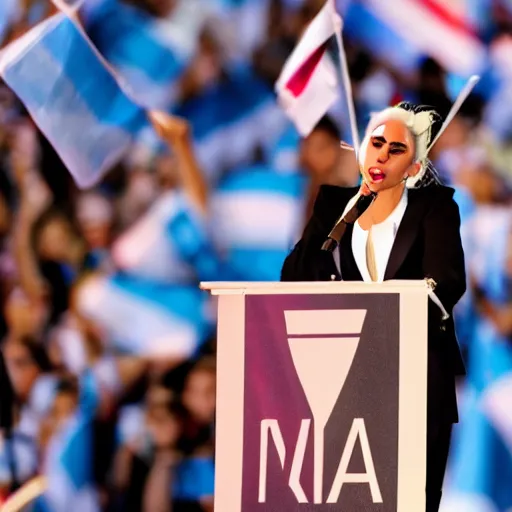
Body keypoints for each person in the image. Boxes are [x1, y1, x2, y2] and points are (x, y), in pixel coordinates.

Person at [281, 102, 467, 512]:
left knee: (408, 500)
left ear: (414, 168)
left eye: (395, 149)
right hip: (342, 377)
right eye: (375, 143)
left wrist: (391, 309)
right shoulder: (334, 206)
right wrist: (346, 212)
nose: (380, 155)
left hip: (414, 376)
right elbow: (293, 276)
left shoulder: (435, 208)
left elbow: (448, 282)